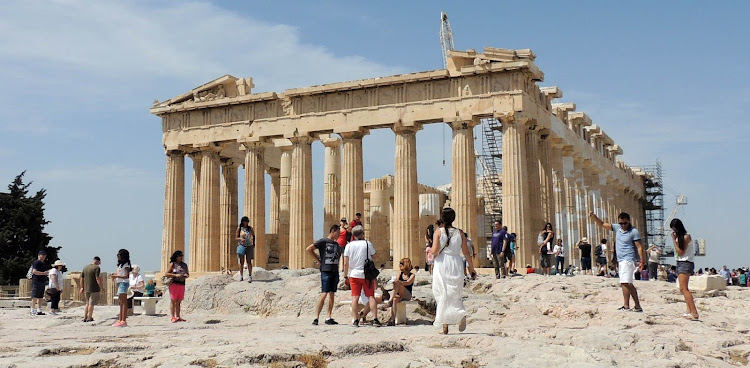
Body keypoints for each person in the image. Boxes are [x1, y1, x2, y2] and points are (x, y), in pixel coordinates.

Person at [429, 207, 477, 335]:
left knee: (442, 292)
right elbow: (466, 253)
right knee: (454, 292)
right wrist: (471, 269)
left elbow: (433, 251)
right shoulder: (460, 233)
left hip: (442, 263)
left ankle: (445, 326)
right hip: (456, 263)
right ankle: (459, 314)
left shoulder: (438, 232)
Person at [590, 212, 645, 312]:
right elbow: (602, 224)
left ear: (629, 221)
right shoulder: (617, 228)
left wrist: (642, 261)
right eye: (621, 223)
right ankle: (629, 305)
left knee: (625, 282)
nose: (623, 225)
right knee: (625, 282)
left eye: (625, 223)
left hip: (628, 259)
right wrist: (594, 217)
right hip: (621, 260)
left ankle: (634, 305)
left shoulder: (634, 232)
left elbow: (639, 247)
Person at [343, 225, 380, 327]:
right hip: (366, 274)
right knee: (371, 296)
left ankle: (355, 320)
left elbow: (345, 263)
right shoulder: (367, 244)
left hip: (354, 274)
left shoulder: (349, 246)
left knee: (355, 297)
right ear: (362, 233)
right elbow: (375, 257)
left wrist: (345, 276)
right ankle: (375, 319)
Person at [306, 224, 342, 326]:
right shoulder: (323, 241)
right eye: (338, 232)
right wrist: (318, 259)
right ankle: (316, 317)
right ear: (333, 231)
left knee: (332, 294)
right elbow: (309, 249)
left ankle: (328, 317)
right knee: (324, 293)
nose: (339, 235)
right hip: (326, 271)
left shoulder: (336, 244)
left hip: (335, 271)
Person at [671, 218, 698, 320]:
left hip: (685, 263)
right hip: (681, 262)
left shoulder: (686, 237)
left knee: (684, 289)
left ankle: (694, 312)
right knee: (684, 288)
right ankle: (689, 311)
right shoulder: (681, 237)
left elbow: (681, 252)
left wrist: (674, 240)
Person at [387, 258, 415, 326]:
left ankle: (389, 301)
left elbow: (408, 283)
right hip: (399, 294)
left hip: (407, 294)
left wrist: (399, 282)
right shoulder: (400, 273)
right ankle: (392, 319)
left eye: (402, 265)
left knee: (398, 283)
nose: (400, 266)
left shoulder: (412, 275)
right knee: (395, 300)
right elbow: (396, 281)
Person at [165, 250, 189, 323]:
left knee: (179, 301)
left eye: (182, 256)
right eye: (180, 256)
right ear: (176, 257)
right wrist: (175, 275)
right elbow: (166, 274)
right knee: (173, 300)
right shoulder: (172, 264)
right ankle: (172, 317)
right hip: (174, 284)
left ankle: (178, 316)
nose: (181, 257)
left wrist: (185, 275)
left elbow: (188, 274)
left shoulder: (184, 265)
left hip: (182, 283)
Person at [110, 249, 131, 327]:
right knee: (121, 302)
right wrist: (115, 275)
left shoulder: (126, 265)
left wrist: (116, 276)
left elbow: (126, 275)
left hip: (123, 283)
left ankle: (123, 320)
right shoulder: (120, 265)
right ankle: (120, 319)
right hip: (120, 282)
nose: (118, 256)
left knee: (123, 302)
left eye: (119, 255)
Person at [80, 256, 103, 322]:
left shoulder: (85, 267)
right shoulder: (96, 268)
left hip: (86, 288)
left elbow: (82, 278)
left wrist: (82, 287)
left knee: (87, 303)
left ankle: (85, 317)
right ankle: (89, 317)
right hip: (94, 288)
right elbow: (97, 278)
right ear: (97, 261)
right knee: (91, 303)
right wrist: (101, 287)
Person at [30, 250, 50, 316]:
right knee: (35, 296)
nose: (43, 256)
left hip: (42, 281)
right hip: (36, 280)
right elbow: (34, 271)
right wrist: (43, 273)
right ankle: (32, 309)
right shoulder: (36, 262)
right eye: (42, 255)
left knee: (40, 296)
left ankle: (39, 309)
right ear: (39, 255)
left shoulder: (43, 263)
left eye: (44, 255)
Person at [236, 216, 255, 282]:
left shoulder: (250, 229)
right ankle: (241, 276)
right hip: (241, 245)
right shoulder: (239, 228)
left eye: (247, 221)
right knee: (241, 262)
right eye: (245, 221)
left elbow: (253, 236)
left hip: (249, 246)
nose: (246, 223)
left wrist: (253, 244)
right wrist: (240, 239)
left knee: (249, 261)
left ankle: (250, 276)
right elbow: (236, 237)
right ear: (242, 222)